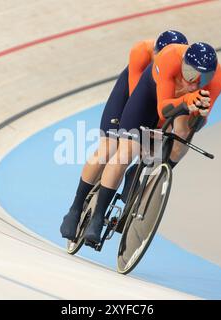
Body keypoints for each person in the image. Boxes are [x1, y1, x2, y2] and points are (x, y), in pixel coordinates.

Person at [60, 31, 188, 241]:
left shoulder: (182, 72)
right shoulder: (141, 52)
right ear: (155, 53)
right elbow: (135, 97)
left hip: (159, 101)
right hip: (131, 95)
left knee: (154, 150)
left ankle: (134, 174)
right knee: (109, 149)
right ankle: (75, 208)